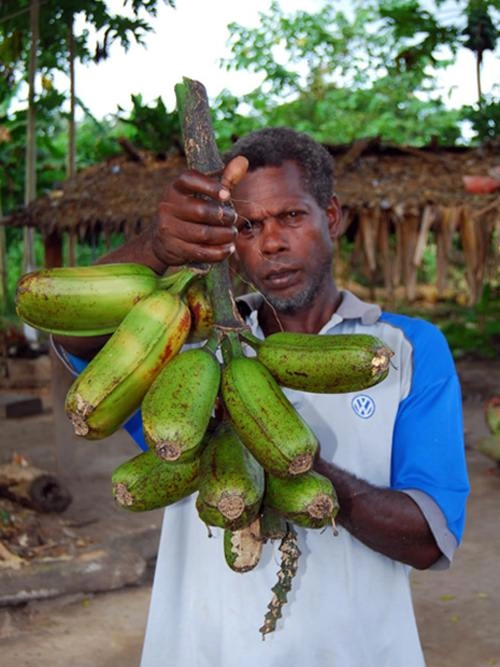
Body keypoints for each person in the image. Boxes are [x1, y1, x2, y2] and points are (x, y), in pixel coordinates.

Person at [53, 127, 469, 666]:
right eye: (248, 226)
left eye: (292, 217)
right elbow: (75, 331)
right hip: (204, 651)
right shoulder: (186, 345)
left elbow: (430, 538)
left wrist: (295, 458)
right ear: (229, 240)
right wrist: (157, 248)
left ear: (333, 217)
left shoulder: (403, 350)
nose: (271, 242)